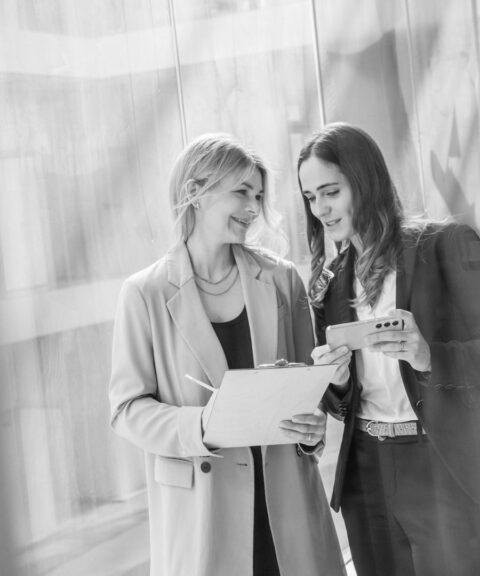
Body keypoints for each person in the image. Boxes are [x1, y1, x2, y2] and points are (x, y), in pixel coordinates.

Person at [297, 123, 480, 576]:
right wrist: (339, 381)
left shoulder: (445, 244)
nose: (321, 209)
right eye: (310, 197)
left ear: (364, 181)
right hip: (365, 471)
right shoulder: (329, 284)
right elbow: (340, 405)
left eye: (330, 191)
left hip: (438, 462)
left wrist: (429, 355)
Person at [109, 133, 345, 576]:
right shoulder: (144, 293)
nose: (253, 207)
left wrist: (314, 428)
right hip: (202, 510)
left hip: (285, 500)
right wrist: (201, 425)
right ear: (194, 192)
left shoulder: (282, 280)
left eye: (257, 195)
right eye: (241, 192)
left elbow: (306, 387)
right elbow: (125, 409)